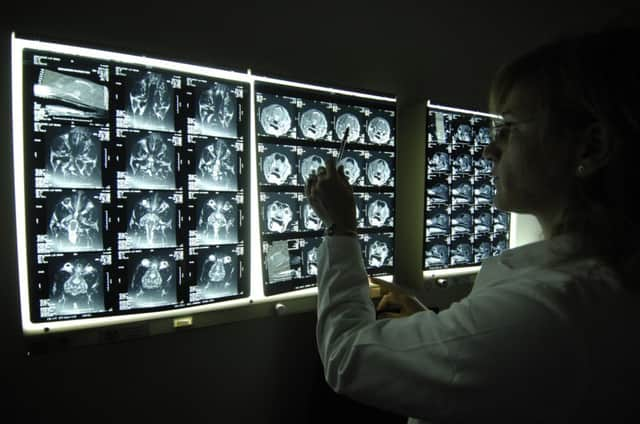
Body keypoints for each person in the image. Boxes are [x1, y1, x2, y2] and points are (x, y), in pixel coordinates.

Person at [305, 25, 640, 423]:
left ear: (591, 146)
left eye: (509, 129)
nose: (488, 150)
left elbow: (348, 356)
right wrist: (427, 323)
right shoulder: (603, 280)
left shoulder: (549, 310)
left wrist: (341, 229)